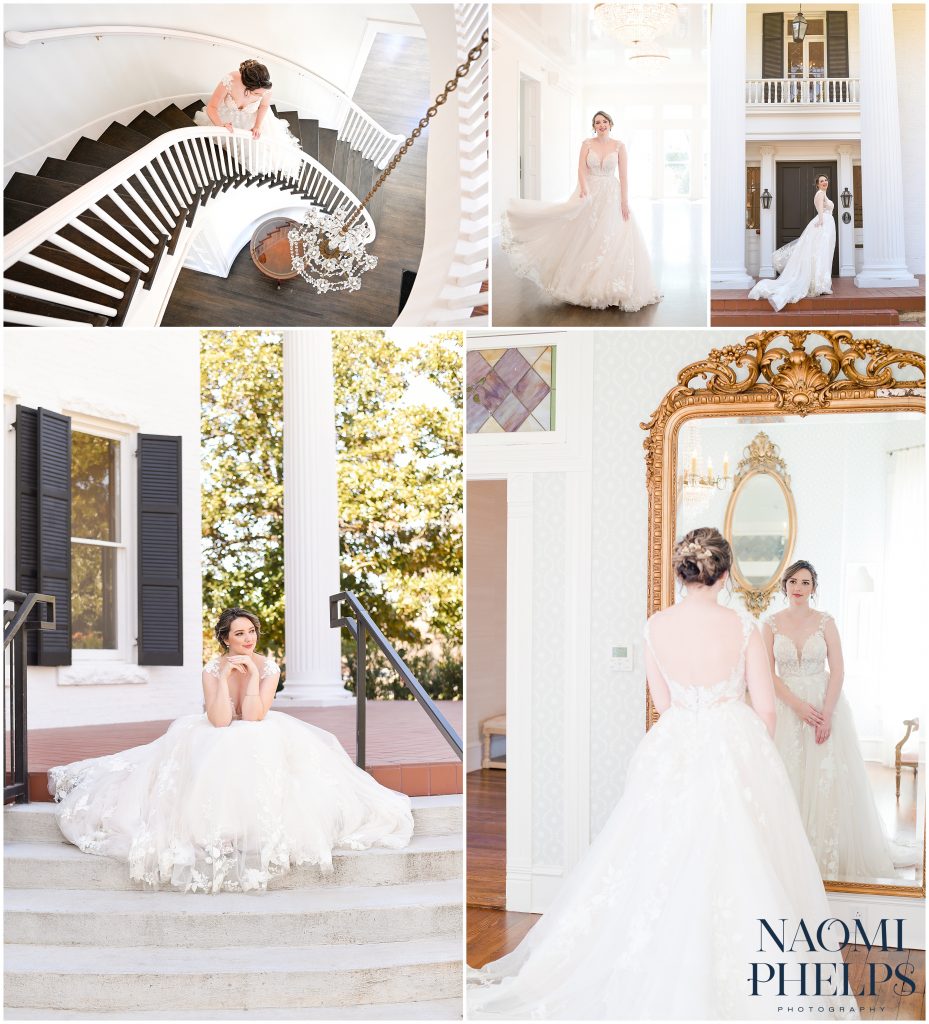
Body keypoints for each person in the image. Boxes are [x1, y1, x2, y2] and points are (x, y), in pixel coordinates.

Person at [468, 529, 858, 1019]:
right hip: (731, 742)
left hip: (674, 746)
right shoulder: (741, 626)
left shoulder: (655, 626)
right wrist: (753, 758)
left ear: (683, 570)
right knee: (739, 855)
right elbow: (767, 710)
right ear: (724, 571)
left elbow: (663, 703)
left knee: (658, 856)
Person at [49, 608, 413, 893]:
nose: (248, 639)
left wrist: (254, 677)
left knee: (255, 741)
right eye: (239, 634)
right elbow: (221, 721)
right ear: (225, 639)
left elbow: (254, 716)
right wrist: (224, 679)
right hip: (218, 726)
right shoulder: (211, 669)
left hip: (258, 726)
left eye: (251, 631)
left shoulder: (268, 666)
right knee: (217, 743)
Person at [763, 560, 901, 882]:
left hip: (825, 705)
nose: (798, 588)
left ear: (813, 588)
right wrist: (798, 706)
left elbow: (838, 670)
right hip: (788, 709)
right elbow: (768, 674)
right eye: (793, 582)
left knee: (827, 781)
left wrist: (825, 714)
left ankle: (825, 854)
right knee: (790, 778)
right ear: (784, 586)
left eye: (805, 583)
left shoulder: (826, 623)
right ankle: (791, 858)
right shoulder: (769, 624)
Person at [501, 111, 661, 312]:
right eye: (597, 122)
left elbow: (624, 175)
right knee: (585, 234)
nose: (601, 124)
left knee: (612, 236)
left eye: (604, 121)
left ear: (611, 124)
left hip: (611, 194)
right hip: (590, 192)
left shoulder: (619, 146)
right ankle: (582, 283)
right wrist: (584, 188)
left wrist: (624, 201)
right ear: (593, 126)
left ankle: (612, 286)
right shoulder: (587, 144)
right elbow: (581, 169)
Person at [194, 59, 301, 172]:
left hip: (252, 120)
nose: (262, 95)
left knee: (258, 152)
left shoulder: (265, 90)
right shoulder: (230, 80)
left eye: (263, 92)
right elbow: (212, 107)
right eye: (257, 93)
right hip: (226, 117)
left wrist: (257, 126)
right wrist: (220, 125)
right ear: (247, 86)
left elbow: (264, 106)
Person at [748, 174, 835, 311]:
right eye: (821, 181)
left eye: (825, 180)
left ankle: (822, 284)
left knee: (822, 255)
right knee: (819, 254)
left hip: (827, 225)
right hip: (822, 226)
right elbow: (820, 210)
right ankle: (818, 285)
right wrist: (821, 222)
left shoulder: (824, 194)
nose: (824, 182)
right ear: (817, 184)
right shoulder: (819, 194)